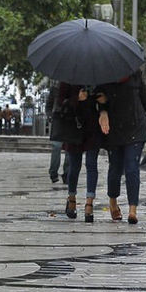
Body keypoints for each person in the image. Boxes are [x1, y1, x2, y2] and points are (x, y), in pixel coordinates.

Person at [96, 70, 146, 225]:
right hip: (114, 130)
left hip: (135, 129)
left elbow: (145, 100)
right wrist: (103, 111)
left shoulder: (135, 74)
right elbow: (99, 101)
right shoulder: (105, 76)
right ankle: (113, 201)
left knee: (132, 168)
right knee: (115, 169)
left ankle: (133, 209)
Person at [62, 84, 104, 222]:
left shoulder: (97, 80)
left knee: (91, 165)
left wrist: (102, 102)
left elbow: (105, 103)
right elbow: (58, 104)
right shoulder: (67, 80)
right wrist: (76, 99)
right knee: (75, 167)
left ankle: (89, 203)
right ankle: (72, 198)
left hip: (92, 131)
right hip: (74, 130)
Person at [46, 83, 68, 184]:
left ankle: (67, 173)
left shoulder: (76, 86)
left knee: (69, 148)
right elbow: (49, 104)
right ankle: (53, 173)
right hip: (58, 118)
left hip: (71, 119)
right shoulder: (55, 88)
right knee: (56, 146)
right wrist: (50, 115)